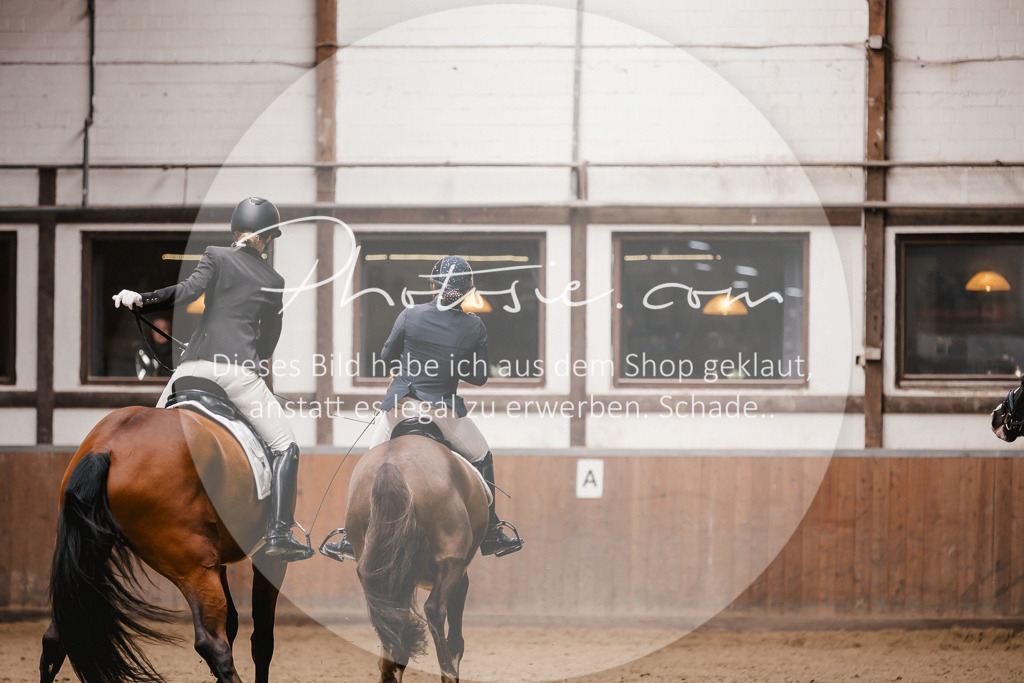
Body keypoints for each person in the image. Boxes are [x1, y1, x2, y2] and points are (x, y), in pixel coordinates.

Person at [111, 196, 312, 562]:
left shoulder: (215, 256)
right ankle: (280, 532)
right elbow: (268, 344)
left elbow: (187, 292)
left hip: (191, 369)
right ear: (268, 239)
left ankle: (114, 517)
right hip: (237, 375)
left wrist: (140, 299)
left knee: (143, 436)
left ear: (236, 230)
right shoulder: (274, 279)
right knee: (286, 447)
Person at [325, 255, 523, 559]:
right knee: (483, 455)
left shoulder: (410, 314)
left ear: (434, 285)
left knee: (369, 465)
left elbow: (386, 355)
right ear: (468, 292)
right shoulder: (474, 326)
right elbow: (480, 377)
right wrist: (453, 365)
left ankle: (352, 537)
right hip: (442, 414)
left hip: (400, 408)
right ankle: (493, 531)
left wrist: (404, 365)